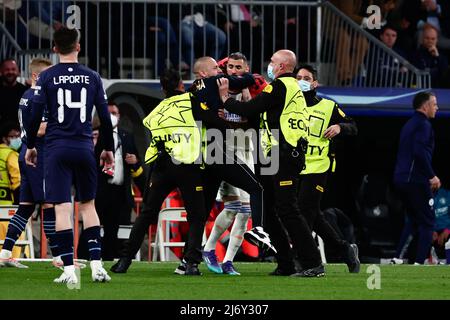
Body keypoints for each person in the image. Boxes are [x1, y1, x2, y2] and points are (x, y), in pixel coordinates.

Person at [218, 49, 325, 277]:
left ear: (282, 67)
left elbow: (251, 108)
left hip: (284, 154)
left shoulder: (282, 85)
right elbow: (261, 115)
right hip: (273, 154)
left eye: (273, 62)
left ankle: (313, 263)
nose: (270, 65)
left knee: (287, 209)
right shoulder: (291, 90)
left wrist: (226, 99)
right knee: (268, 210)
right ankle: (285, 263)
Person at [111, 68, 227, 276]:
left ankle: (124, 261)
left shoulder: (157, 111)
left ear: (163, 88)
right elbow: (214, 121)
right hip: (188, 166)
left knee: (146, 213)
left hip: (163, 167)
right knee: (197, 216)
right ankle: (191, 264)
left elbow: (154, 136)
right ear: (181, 85)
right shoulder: (191, 101)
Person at [25, 27, 115, 284]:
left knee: (63, 208)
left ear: (54, 48)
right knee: (88, 206)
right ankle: (97, 266)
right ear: (78, 46)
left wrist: (31, 145)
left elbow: (34, 116)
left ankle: (67, 269)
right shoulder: (93, 77)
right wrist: (107, 148)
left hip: (56, 148)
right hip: (84, 147)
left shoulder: (46, 77)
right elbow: (106, 119)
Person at [202, 52, 262, 275]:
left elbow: (251, 116)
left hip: (246, 150)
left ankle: (228, 260)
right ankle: (208, 249)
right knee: (234, 207)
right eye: (232, 67)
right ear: (226, 69)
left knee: (245, 210)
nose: (235, 71)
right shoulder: (215, 90)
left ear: (245, 70)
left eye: (239, 68)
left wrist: (246, 92)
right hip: (223, 151)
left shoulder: (252, 91)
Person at [295, 64, 360, 273]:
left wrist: (339, 126)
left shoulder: (328, 106)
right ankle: (345, 250)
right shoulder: (290, 104)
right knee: (313, 216)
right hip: (294, 167)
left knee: (304, 212)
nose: (301, 81)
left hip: (318, 167)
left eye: (306, 77)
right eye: (298, 77)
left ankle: (306, 260)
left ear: (315, 83)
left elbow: (353, 126)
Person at [0, 58, 61, 268]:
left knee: (25, 207)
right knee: (49, 204)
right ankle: (59, 257)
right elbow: (41, 129)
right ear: (36, 76)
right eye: (47, 75)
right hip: (38, 155)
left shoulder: (25, 95)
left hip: (25, 153)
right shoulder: (40, 96)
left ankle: (5, 252)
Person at [393, 91, 440, 265]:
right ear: (425, 106)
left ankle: (397, 258)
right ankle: (420, 263)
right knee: (428, 222)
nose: (437, 107)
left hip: (401, 179)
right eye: (434, 104)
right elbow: (419, 152)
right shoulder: (424, 125)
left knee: (413, 220)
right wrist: (432, 175)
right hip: (415, 180)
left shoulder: (408, 124)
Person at [95, 101, 145, 260]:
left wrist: (134, 161)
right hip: (101, 191)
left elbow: (137, 162)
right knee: (95, 228)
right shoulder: (96, 135)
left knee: (115, 231)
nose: (111, 117)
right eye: (108, 113)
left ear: (119, 116)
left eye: (114, 113)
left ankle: (114, 260)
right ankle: (92, 257)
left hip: (121, 193)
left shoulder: (127, 136)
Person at [0, 122, 22, 260]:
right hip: (9, 213)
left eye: (18, 136)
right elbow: (18, 183)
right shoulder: (11, 155)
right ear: (4, 138)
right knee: (11, 254)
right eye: (13, 136)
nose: (16, 139)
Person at [410, 24, 449, 88]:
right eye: (427, 38)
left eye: (433, 39)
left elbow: (445, 73)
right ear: (422, 39)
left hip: (439, 91)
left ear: (437, 40)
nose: (430, 41)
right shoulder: (414, 54)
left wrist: (437, 56)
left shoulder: (442, 55)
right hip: (419, 89)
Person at [0, 59, 27, 126]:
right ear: (1, 71)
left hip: (20, 132)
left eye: (13, 69)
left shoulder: (25, 91)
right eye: (7, 69)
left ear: (18, 72)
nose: (10, 72)